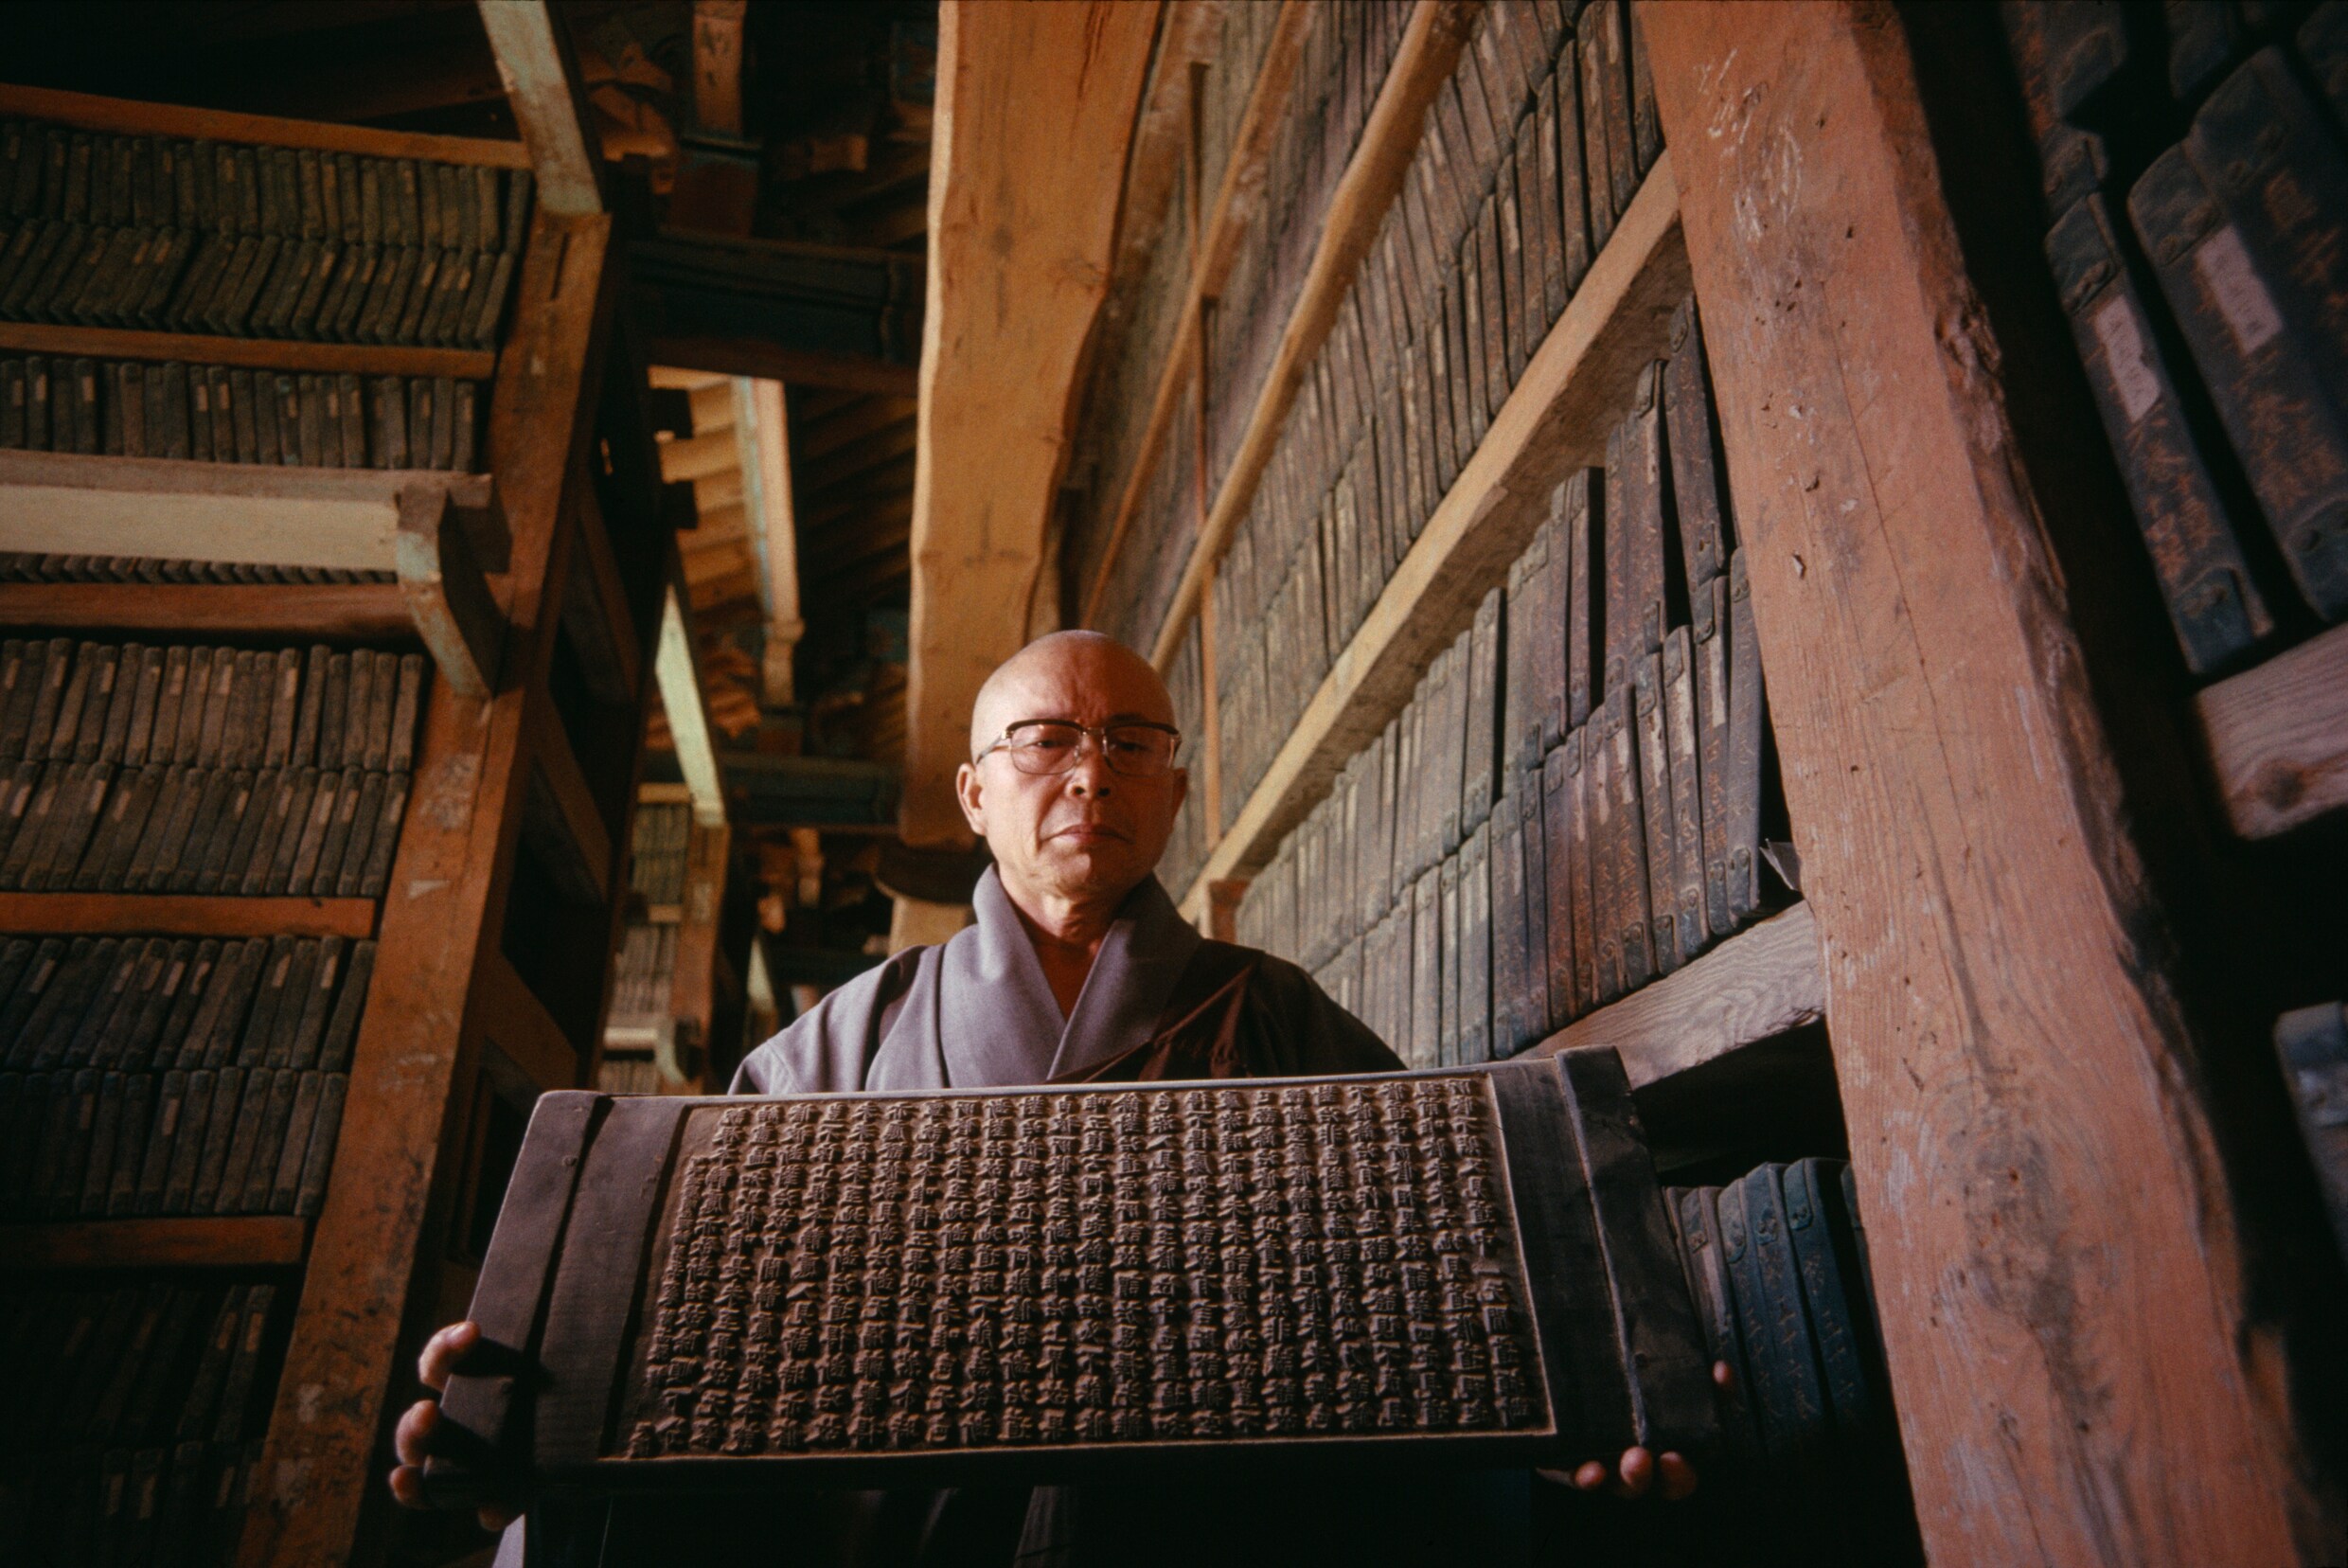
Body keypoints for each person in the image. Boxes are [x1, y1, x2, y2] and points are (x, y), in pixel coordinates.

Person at [390, 631, 1709, 1564]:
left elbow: (1438, 1293)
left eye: (1132, 742)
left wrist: (1572, 1401)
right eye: (1045, 740)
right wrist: (532, 1413)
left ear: (1177, 790)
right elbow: (684, 1358)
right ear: (974, 792)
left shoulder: (1281, 1017)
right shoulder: (827, 1056)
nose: (1092, 773)